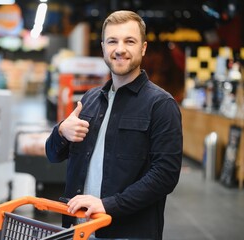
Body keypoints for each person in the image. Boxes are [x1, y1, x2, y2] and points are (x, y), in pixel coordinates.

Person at [45, 10, 183, 240]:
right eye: (112, 41)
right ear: (103, 48)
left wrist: (108, 205)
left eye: (130, 41)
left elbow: (165, 175)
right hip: (76, 230)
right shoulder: (89, 100)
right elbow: (52, 154)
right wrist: (61, 132)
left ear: (143, 48)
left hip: (127, 232)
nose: (120, 49)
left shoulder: (161, 105)